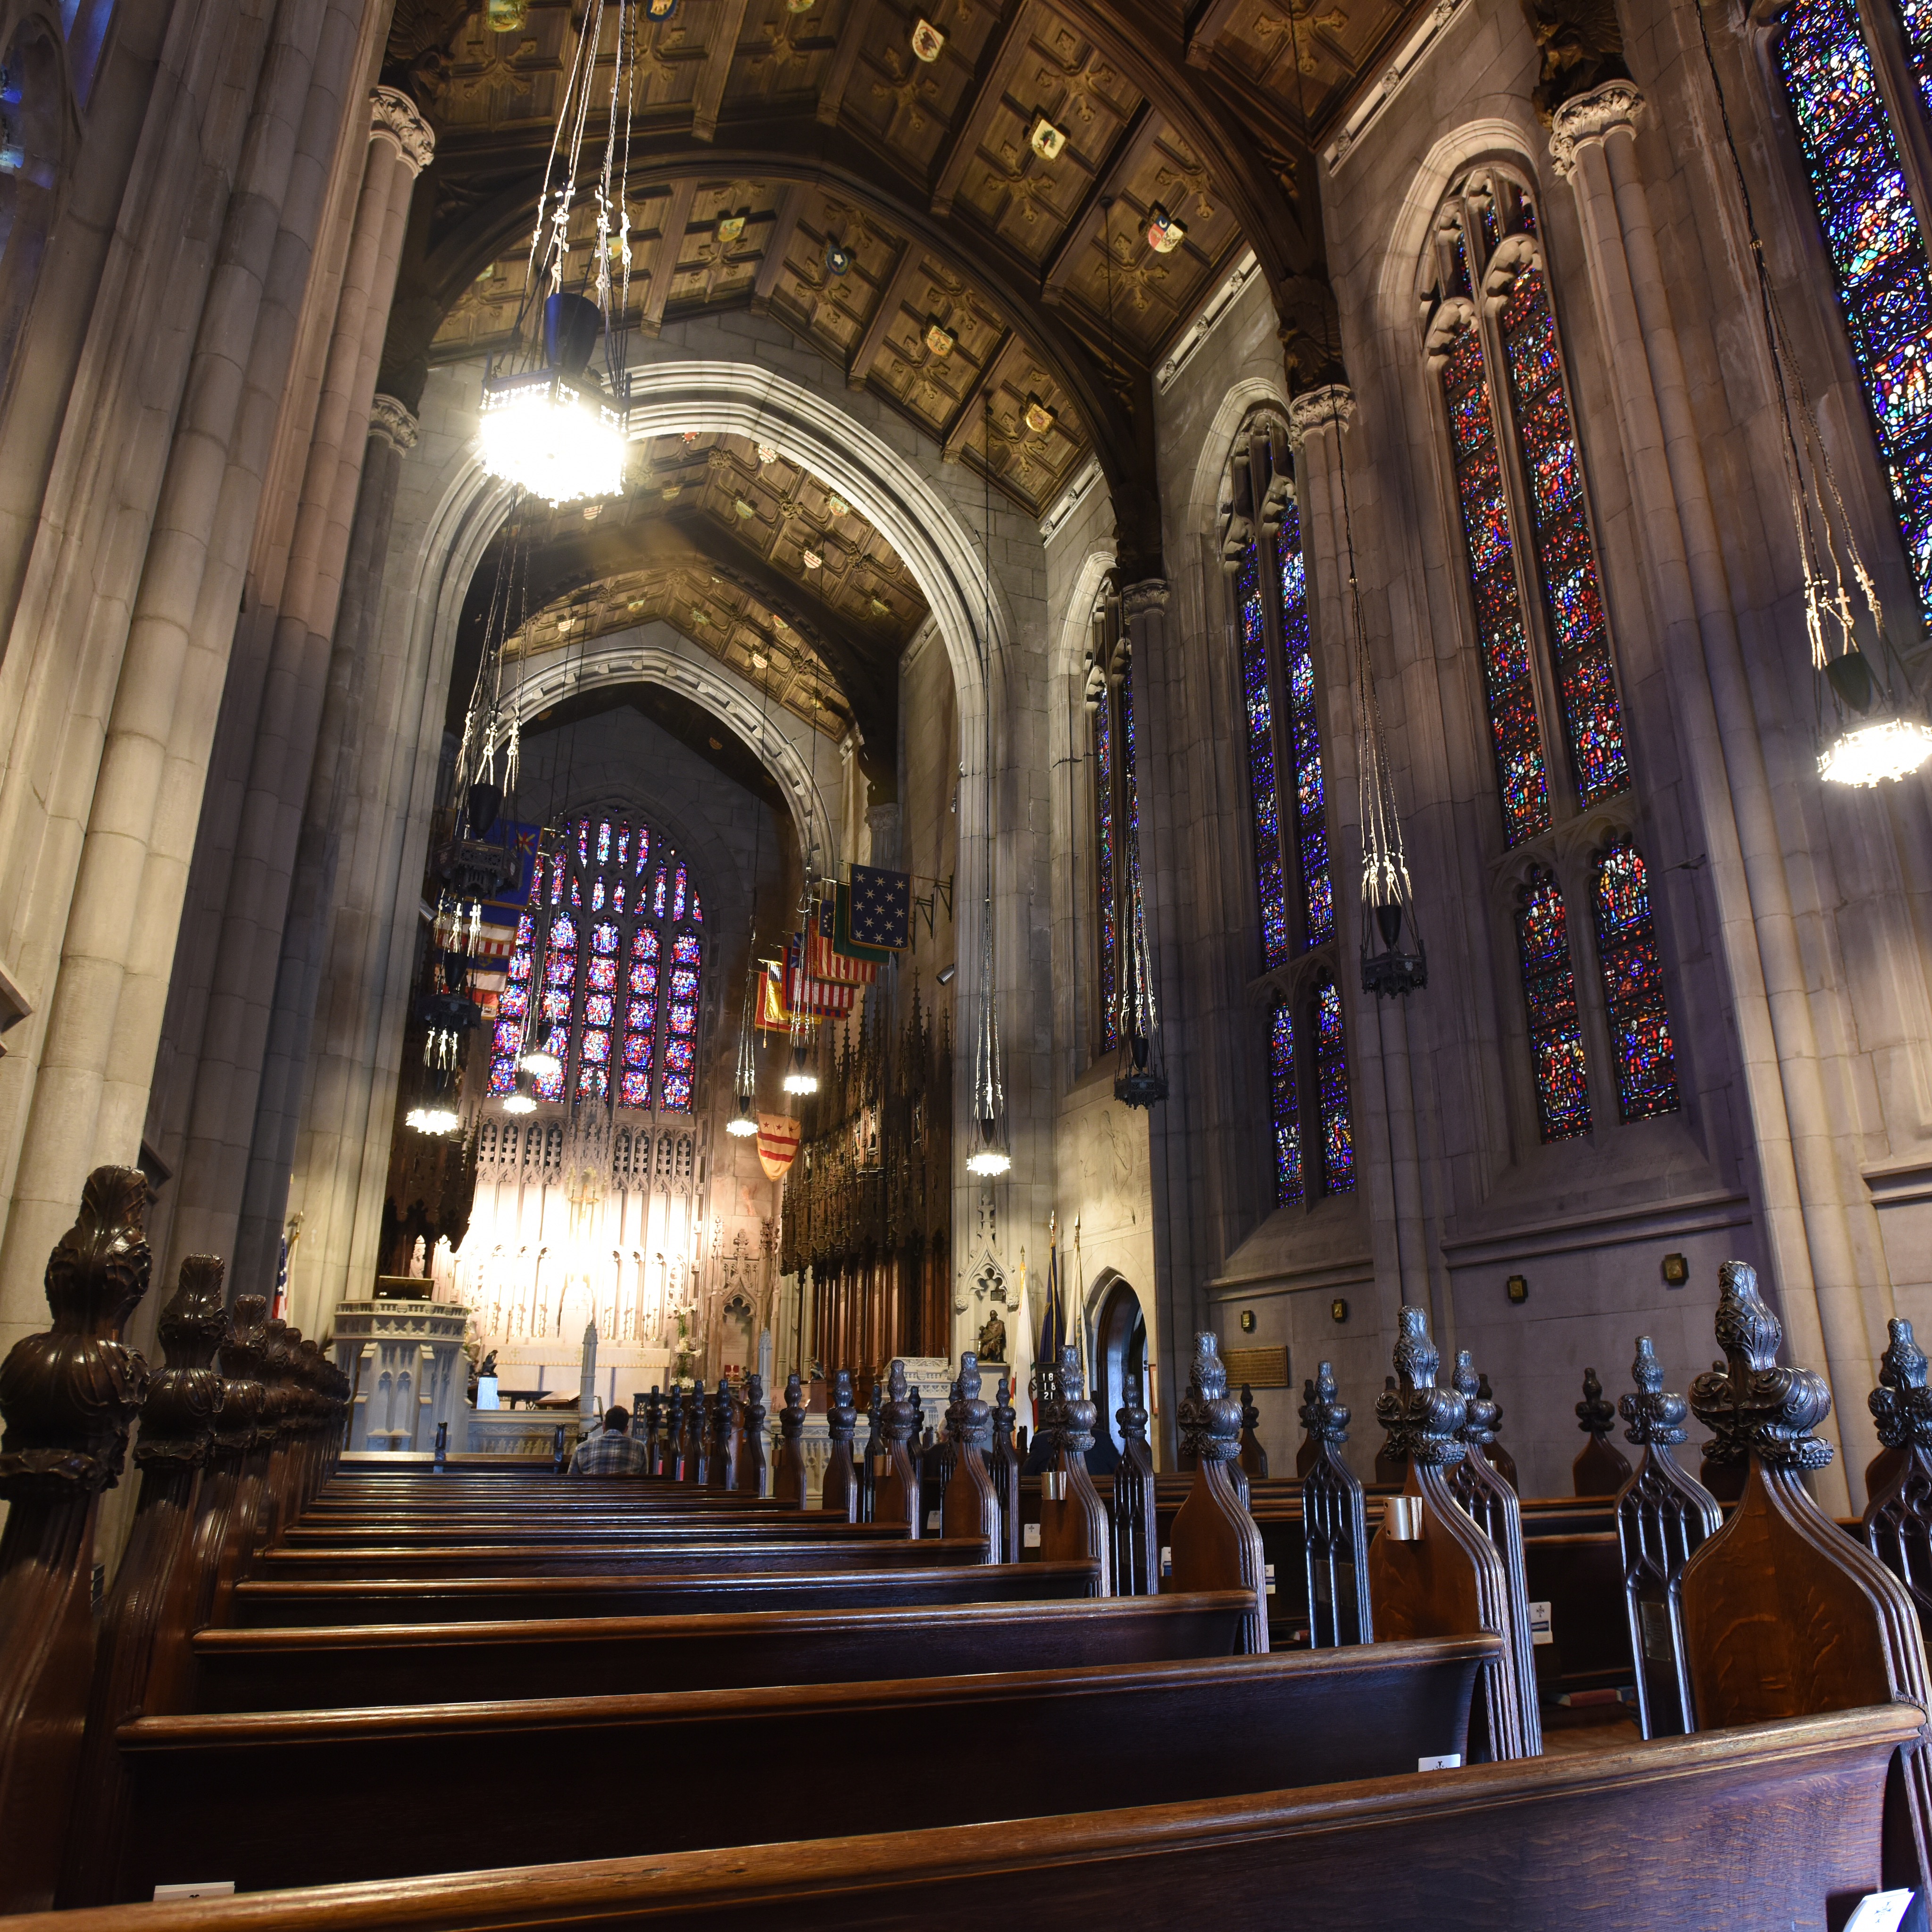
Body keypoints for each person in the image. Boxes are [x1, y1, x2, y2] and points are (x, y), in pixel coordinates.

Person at [567, 1404, 651, 1476]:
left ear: (604, 1425)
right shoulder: (639, 1448)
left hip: (594, 1494)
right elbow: (643, 1480)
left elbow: (571, 1482)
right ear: (626, 1429)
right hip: (625, 1495)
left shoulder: (582, 1448)